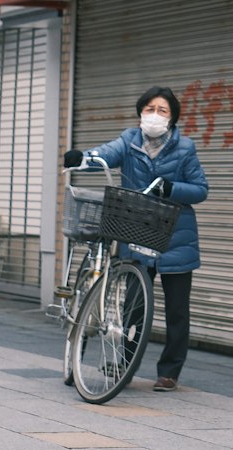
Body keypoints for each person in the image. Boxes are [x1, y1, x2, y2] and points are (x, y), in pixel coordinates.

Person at [63, 87, 208, 391]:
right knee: (134, 308)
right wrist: (83, 158)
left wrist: (171, 188)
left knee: (177, 312)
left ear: (173, 116)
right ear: (141, 112)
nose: (155, 115)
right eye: (150, 108)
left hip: (175, 238)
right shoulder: (129, 141)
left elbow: (200, 189)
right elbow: (105, 154)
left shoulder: (185, 147)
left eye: (163, 110)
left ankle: (169, 373)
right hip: (137, 233)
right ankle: (125, 364)